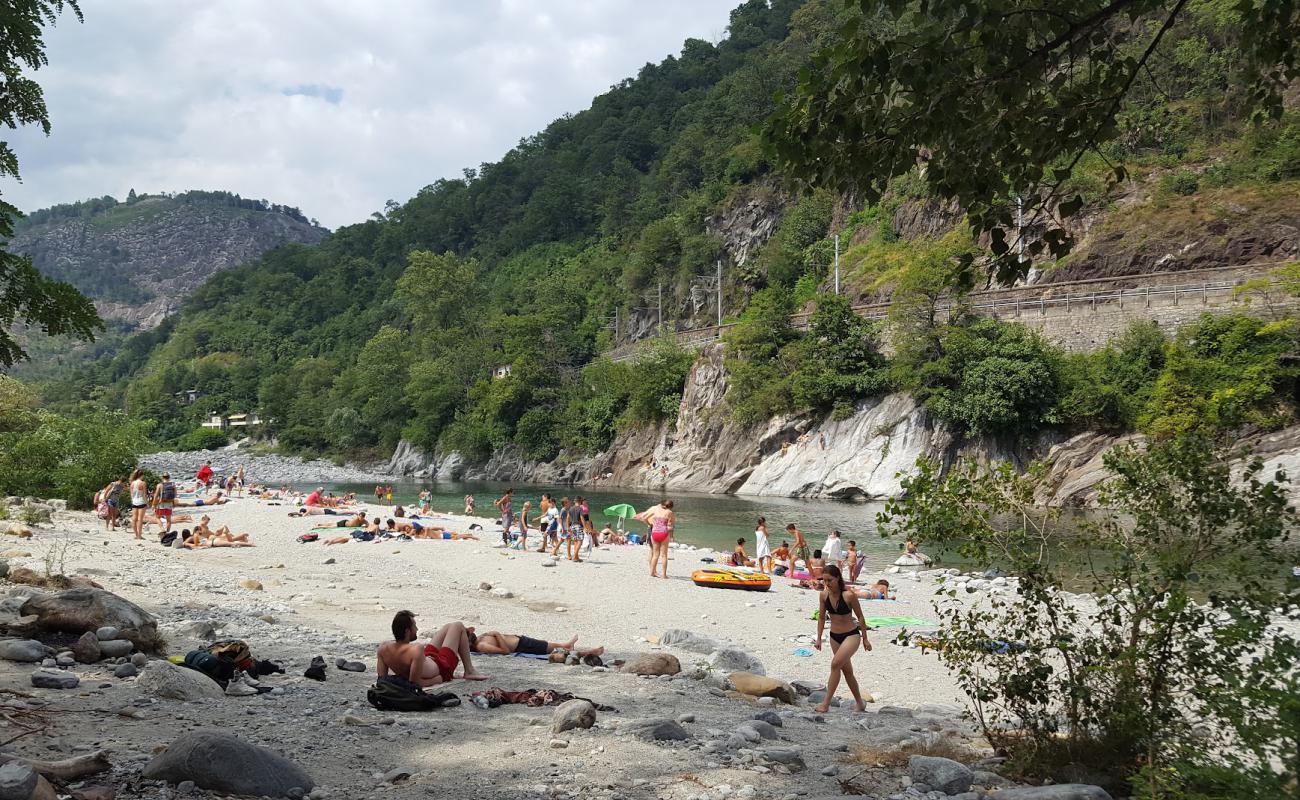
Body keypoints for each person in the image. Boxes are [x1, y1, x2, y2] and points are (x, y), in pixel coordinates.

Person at [813, 564, 872, 713]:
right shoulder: (823, 595)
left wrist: (865, 638)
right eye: (824, 580)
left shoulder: (849, 595)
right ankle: (860, 703)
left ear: (838, 578)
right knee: (847, 672)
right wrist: (818, 638)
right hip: (834, 636)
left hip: (851, 635)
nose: (827, 584)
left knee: (835, 665)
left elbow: (860, 616)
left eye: (830, 580)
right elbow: (821, 618)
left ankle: (825, 704)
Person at [377, 611, 487, 687]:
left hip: (428, 660)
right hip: (442, 667)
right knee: (458, 626)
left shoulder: (383, 648)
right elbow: (415, 683)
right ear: (407, 631)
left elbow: (382, 680)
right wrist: (437, 680)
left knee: (448, 627)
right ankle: (469, 671)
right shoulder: (416, 649)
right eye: (414, 626)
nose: (417, 629)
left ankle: (462, 638)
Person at [468, 630, 604, 659]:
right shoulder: (481, 646)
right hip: (522, 646)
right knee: (548, 649)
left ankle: (567, 645)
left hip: (521, 642)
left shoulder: (479, 640)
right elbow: (505, 651)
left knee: (548, 645)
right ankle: (587, 651)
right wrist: (497, 634)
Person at [635, 500, 675, 579]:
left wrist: (649, 524)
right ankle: (664, 575)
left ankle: (652, 572)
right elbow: (672, 523)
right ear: (671, 506)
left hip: (654, 533)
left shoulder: (655, 510)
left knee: (655, 554)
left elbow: (643, 517)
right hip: (664, 533)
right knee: (664, 555)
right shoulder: (669, 512)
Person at [128, 469, 149, 540]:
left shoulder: (132, 483)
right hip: (141, 502)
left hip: (134, 502)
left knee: (134, 519)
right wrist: (147, 503)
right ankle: (139, 536)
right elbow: (144, 495)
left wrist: (132, 501)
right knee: (140, 519)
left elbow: (131, 494)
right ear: (141, 475)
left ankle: (136, 534)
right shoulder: (143, 483)